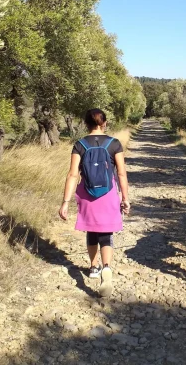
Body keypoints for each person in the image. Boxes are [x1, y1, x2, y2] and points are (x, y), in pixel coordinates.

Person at [59, 108, 130, 297]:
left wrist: (65, 202)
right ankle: (107, 266)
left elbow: (73, 174)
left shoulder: (80, 145)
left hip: (87, 195)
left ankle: (93, 267)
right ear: (104, 123)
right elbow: (121, 173)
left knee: (92, 231)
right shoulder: (114, 144)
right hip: (108, 194)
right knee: (106, 232)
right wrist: (125, 198)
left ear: (86, 124)